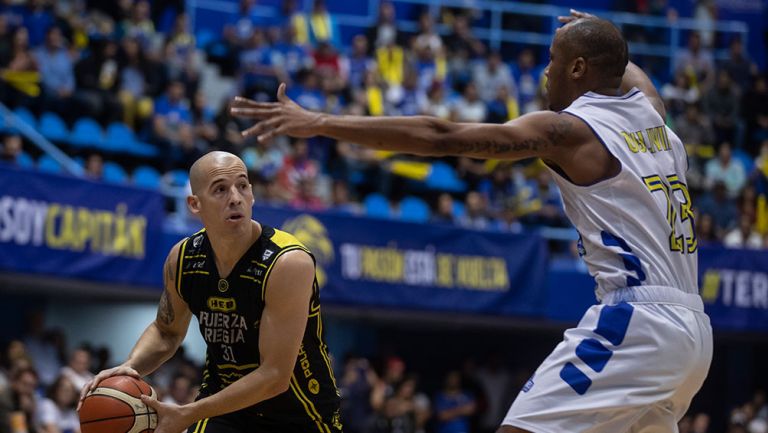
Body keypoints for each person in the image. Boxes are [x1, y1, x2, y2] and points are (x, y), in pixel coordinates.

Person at [230, 9, 712, 433]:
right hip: (693, 333)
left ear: (579, 68)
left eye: (553, 59)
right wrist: (599, 35)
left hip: (637, 321)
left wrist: (320, 122)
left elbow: (441, 134)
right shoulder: (654, 116)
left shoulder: (572, 130)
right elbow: (629, 70)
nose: (546, 72)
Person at [78, 151, 342, 433]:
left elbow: (274, 376)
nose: (235, 197)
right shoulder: (183, 258)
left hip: (301, 414)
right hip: (225, 407)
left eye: (242, 186)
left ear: (252, 194)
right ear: (195, 204)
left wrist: (188, 412)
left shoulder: (288, 262)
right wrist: (130, 367)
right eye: (220, 189)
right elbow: (167, 332)